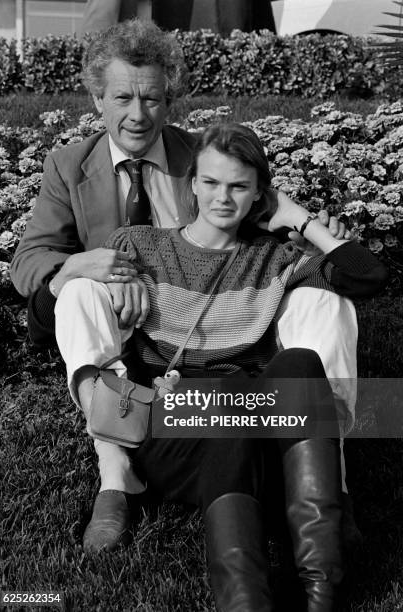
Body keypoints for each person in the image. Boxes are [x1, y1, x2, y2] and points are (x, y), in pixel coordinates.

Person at [10, 19, 357, 555]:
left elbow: (259, 202)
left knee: (322, 302)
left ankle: (328, 468)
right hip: (123, 324)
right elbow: (29, 260)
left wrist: (307, 223)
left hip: (213, 315)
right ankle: (116, 471)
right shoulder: (67, 167)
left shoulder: (202, 158)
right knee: (75, 292)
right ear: (97, 98)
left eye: (152, 98)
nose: (137, 114)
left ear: (169, 100)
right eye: (122, 96)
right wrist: (89, 266)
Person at [54, 123, 387, 611]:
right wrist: (71, 272)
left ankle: (321, 592)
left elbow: (368, 277)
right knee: (224, 416)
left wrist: (301, 219)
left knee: (297, 362)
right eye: (210, 182)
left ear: (259, 195)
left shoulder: (275, 258)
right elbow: (46, 316)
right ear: (192, 184)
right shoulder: (142, 245)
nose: (223, 198)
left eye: (238, 186)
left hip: (247, 417)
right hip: (176, 426)